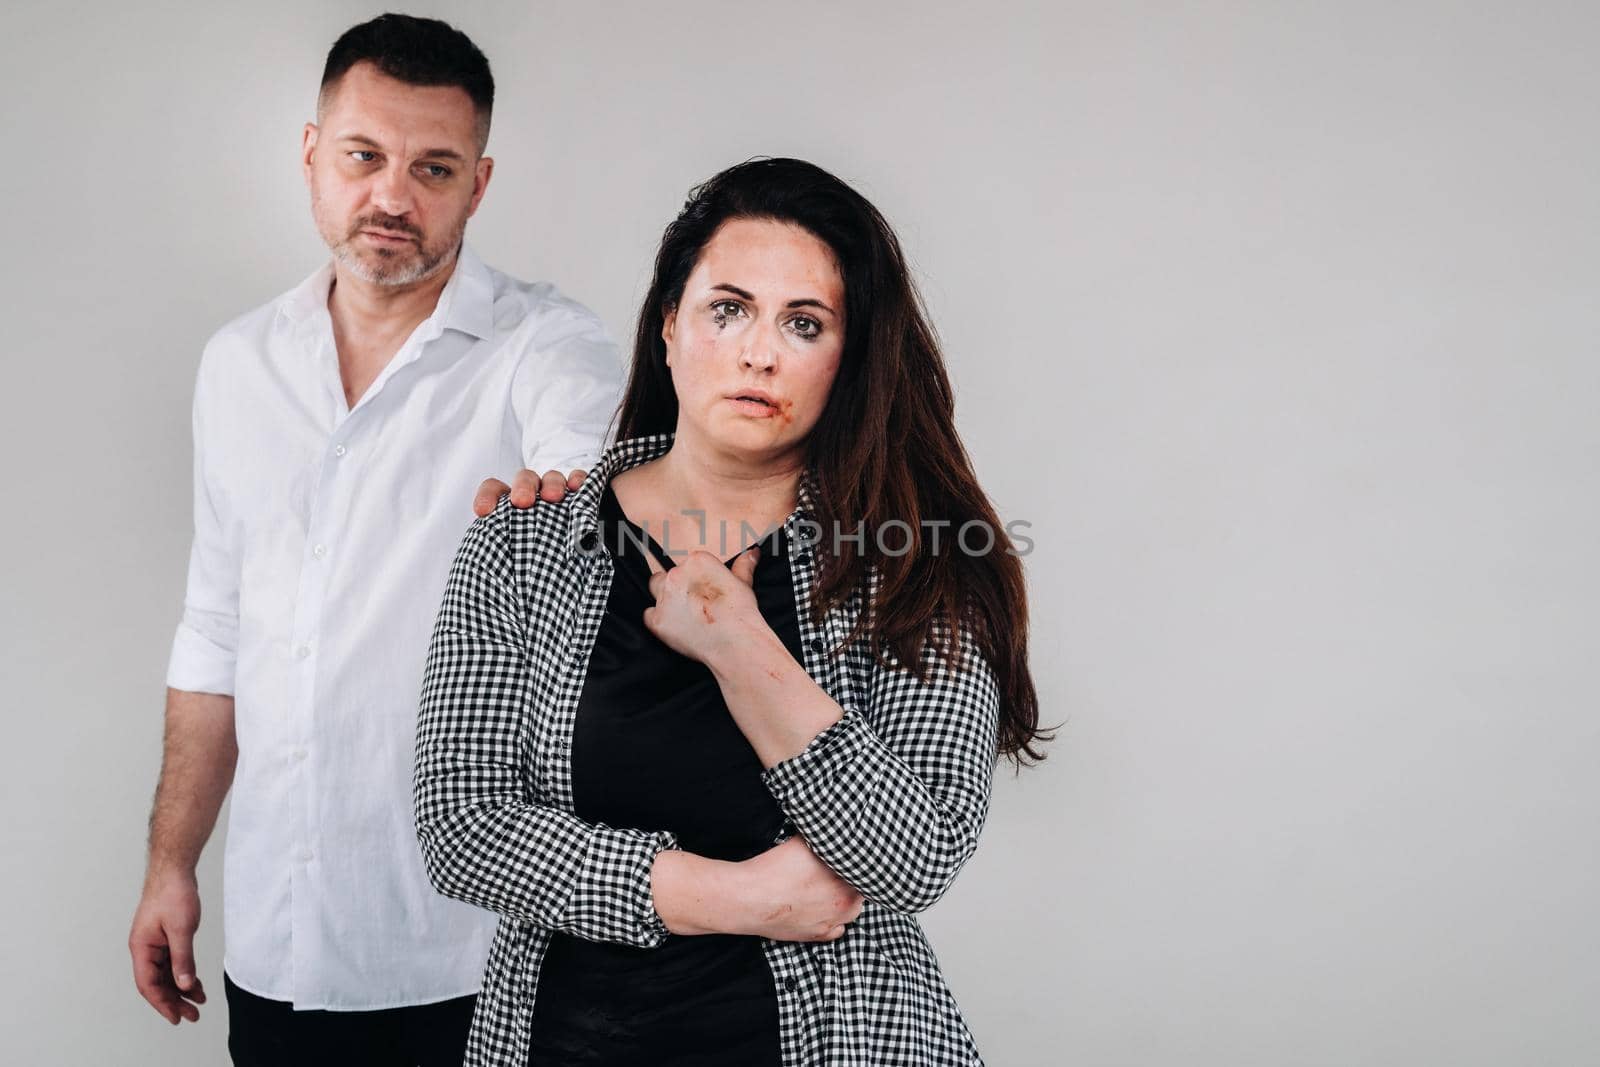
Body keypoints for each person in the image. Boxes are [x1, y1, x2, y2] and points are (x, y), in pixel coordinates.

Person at [414, 157, 1047, 1066]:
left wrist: (741, 645)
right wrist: (740, 897)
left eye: (804, 323)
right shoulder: (522, 544)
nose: (761, 351)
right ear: (669, 324)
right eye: (729, 308)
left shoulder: (917, 562)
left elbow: (916, 857)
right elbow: (462, 825)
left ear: (849, 355)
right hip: (563, 1039)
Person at [127, 15, 615, 1064]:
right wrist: (173, 861)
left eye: (432, 167)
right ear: (312, 156)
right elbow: (216, 629)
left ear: (478, 186)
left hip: (474, 949)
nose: (392, 196)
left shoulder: (546, 345)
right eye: (364, 156)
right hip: (276, 939)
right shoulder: (238, 363)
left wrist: (578, 495)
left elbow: (591, 480)